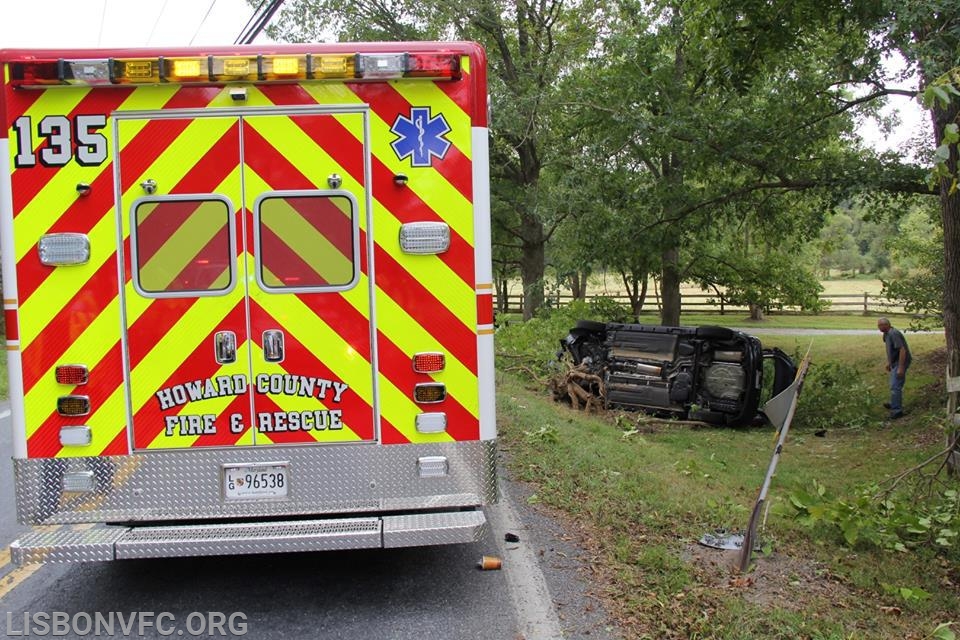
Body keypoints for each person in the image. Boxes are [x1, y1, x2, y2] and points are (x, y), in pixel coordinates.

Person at [877, 317, 911, 419]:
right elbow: (892, 349)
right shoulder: (886, 334)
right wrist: (889, 362)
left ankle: (897, 411)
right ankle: (894, 403)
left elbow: (902, 350)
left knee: (895, 386)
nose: (879, 327)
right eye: (878, 325)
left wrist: (901, 367)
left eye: (880, 325)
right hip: (895, 362)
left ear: (886, 325)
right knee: (893, 384)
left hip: (901, 361)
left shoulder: (893, 333)